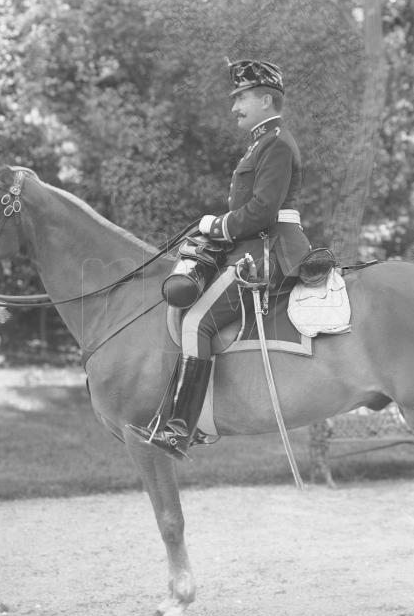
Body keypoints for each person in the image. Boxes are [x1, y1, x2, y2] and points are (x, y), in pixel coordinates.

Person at [127, 58, 312, 459]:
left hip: (270, 250)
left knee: (197, 322)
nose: (235, 107)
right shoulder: (263, 142)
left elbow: (263, 211)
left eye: (242, 97)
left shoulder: (276, 144)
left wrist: (217, 225)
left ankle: (179, 428)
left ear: (266, 99)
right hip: (253, 246)